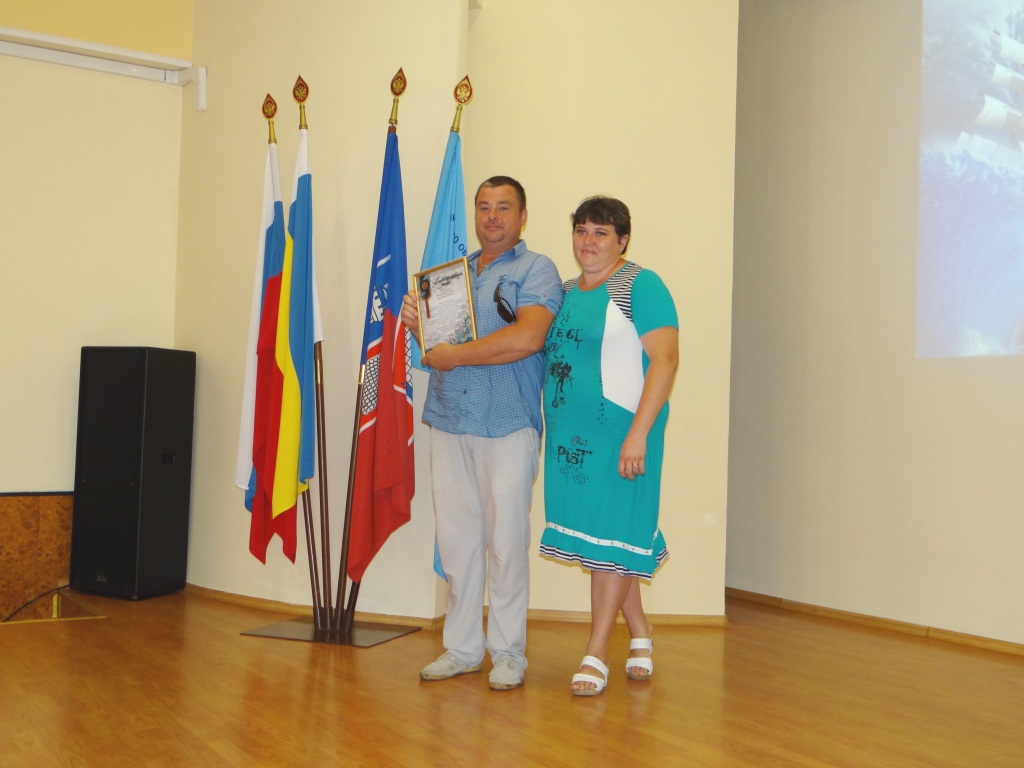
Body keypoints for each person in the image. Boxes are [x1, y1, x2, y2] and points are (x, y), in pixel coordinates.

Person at [401, 176, 563, 691]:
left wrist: (453, 355)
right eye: (484, 207)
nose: (492, 216)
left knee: (506, 544)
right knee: (457, 543)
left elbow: (527, 338)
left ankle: (508, 654)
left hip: (508, 424)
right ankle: (463, 649)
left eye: (504, 207)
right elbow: (438, 348)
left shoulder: (537, 269)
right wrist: (419, 325)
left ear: (523, 216)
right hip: (450, 419)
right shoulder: (450, 276)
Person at [539, 195, 679, 696]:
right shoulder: (561, 292)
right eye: (581, 230)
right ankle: (640, 629)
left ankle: (597, 649)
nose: (588, 241)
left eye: (600, 233)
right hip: (571, 442)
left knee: (613, 535)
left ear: (623, 240)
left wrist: (638, 433)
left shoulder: (641, 285)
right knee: (608, 538)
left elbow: (665, 360)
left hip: (625, 435)